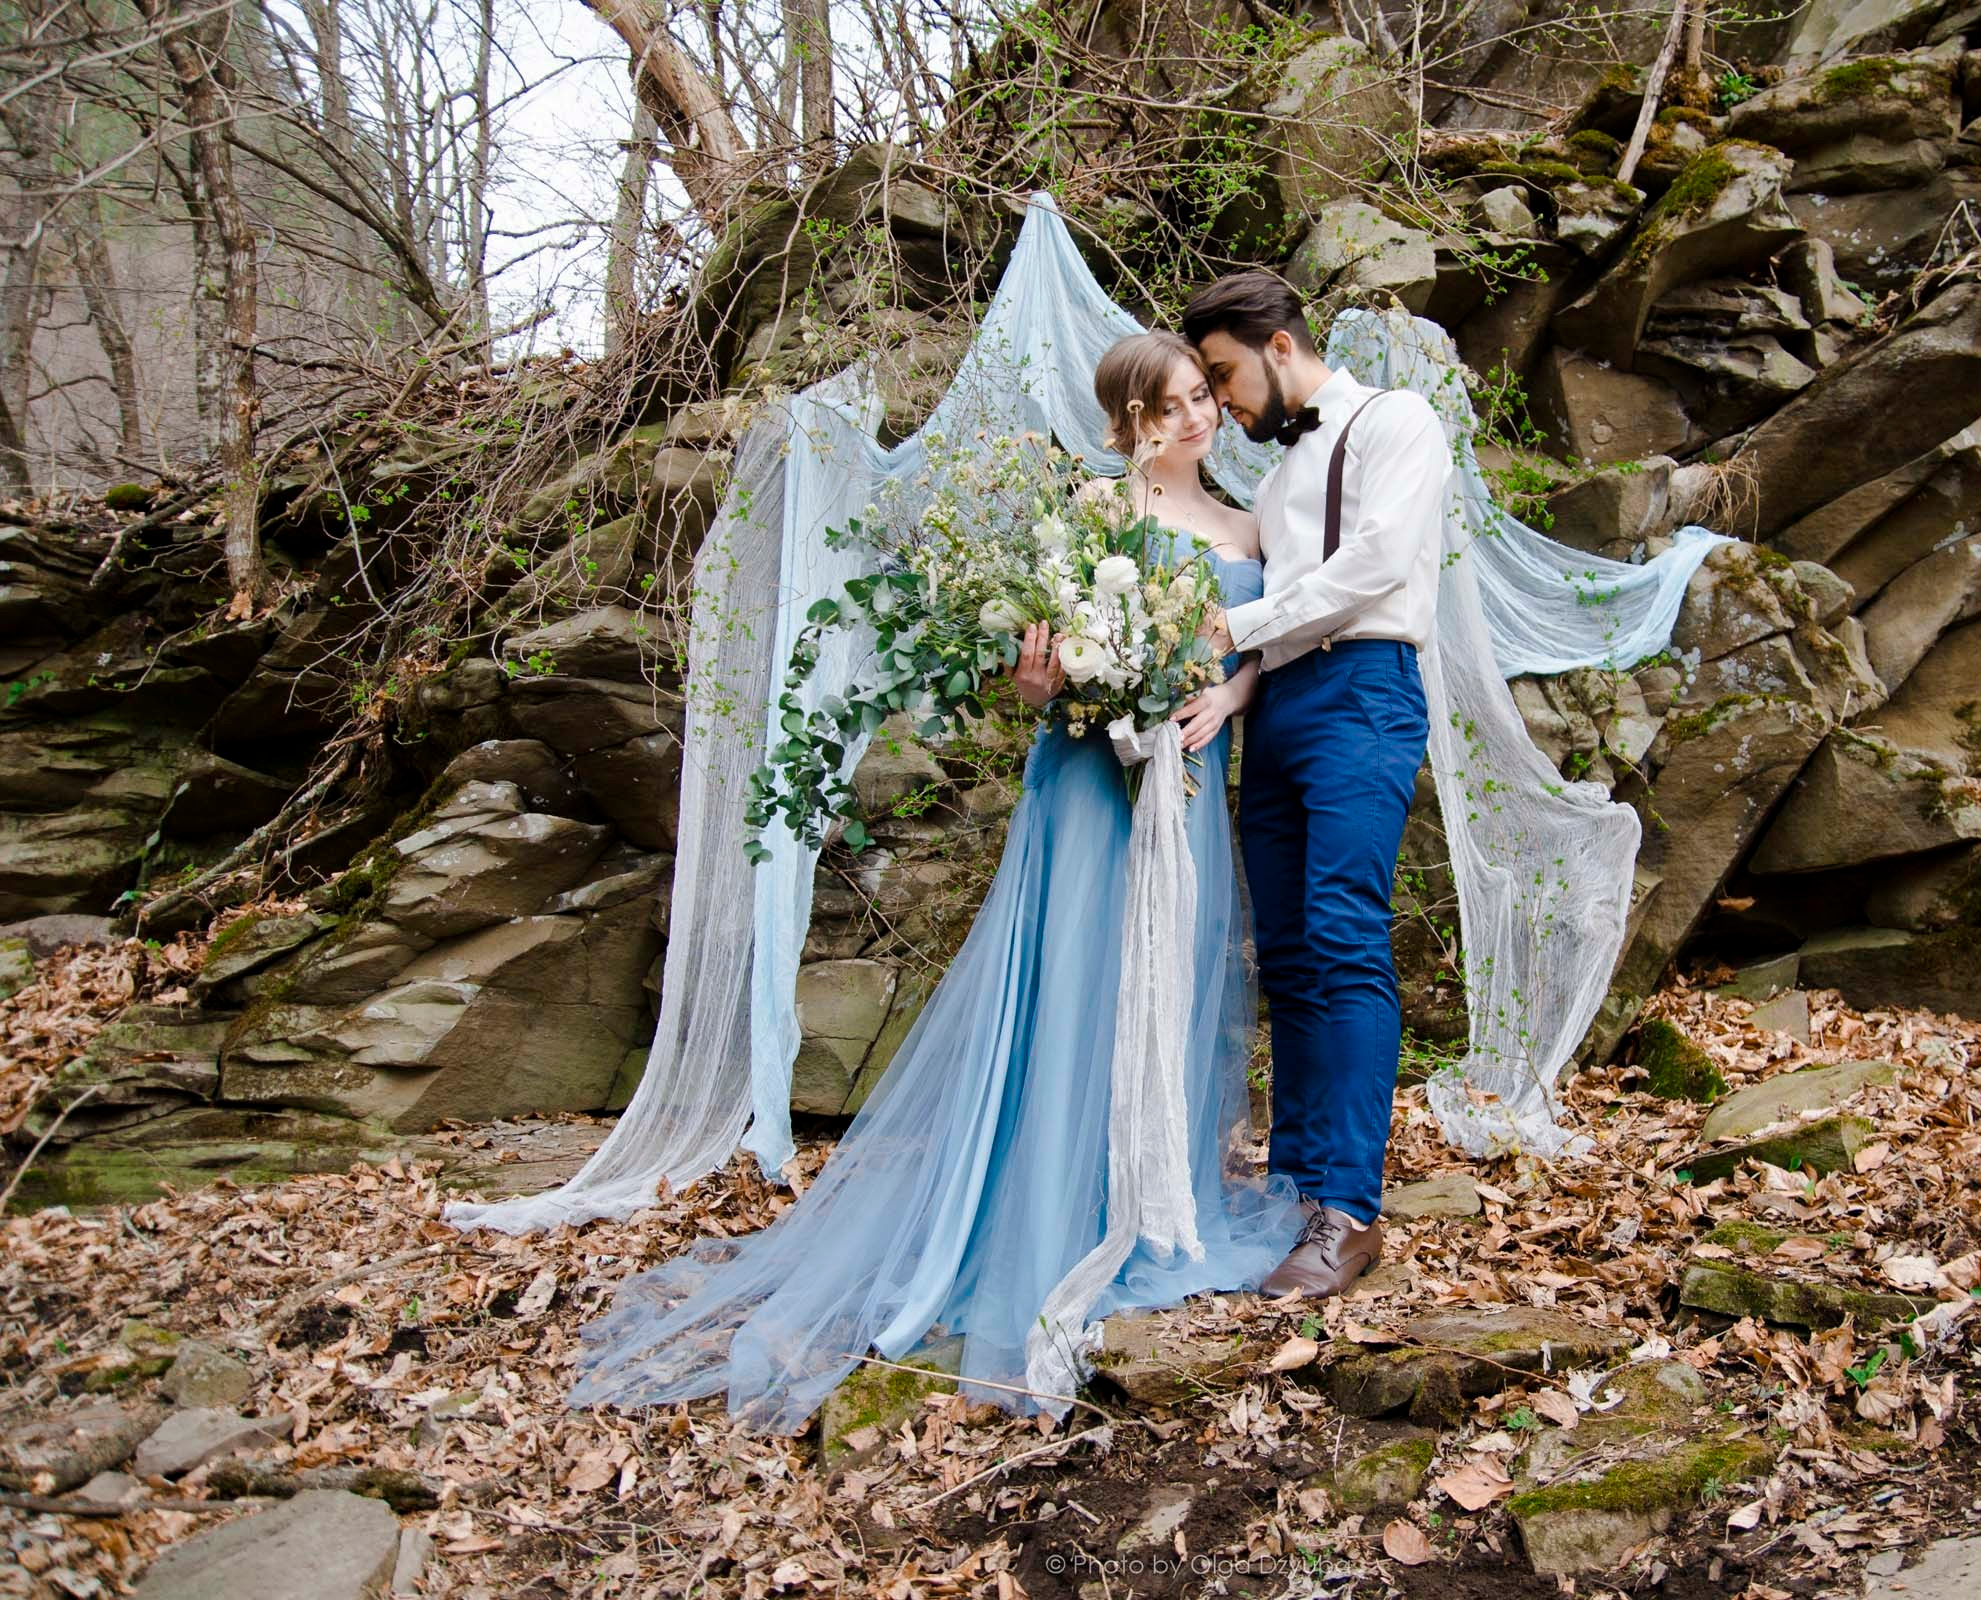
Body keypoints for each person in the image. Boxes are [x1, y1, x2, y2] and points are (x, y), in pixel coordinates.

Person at [564, 332, 1307, 1432]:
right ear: (1125, 426)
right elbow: (1033, 678)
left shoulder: (1249, 527)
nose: (1190, 420)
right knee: (1077, 988)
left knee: (1173, 984)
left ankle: (1155, 1208)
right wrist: (1042, 675)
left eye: (1198, 396)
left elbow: (1261, 649)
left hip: (1188, 788)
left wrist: (1231, 702)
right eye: (1162, 409)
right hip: (1091, 787)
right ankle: (1050, 1215)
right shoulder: (1093, 518)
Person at [1184, 271, 1454, 1299]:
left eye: (1223, 375)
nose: (1220, 402)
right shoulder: (1270, 485)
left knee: (1344, 931)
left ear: (1280, 345)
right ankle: (1297, 1188)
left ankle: (1351, 1206)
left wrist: (1238, 629)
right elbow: (1270, 608)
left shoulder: (1398, 420)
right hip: (1281, 706)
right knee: (1286, 950)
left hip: (1364, 693)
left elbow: (1381, 560)